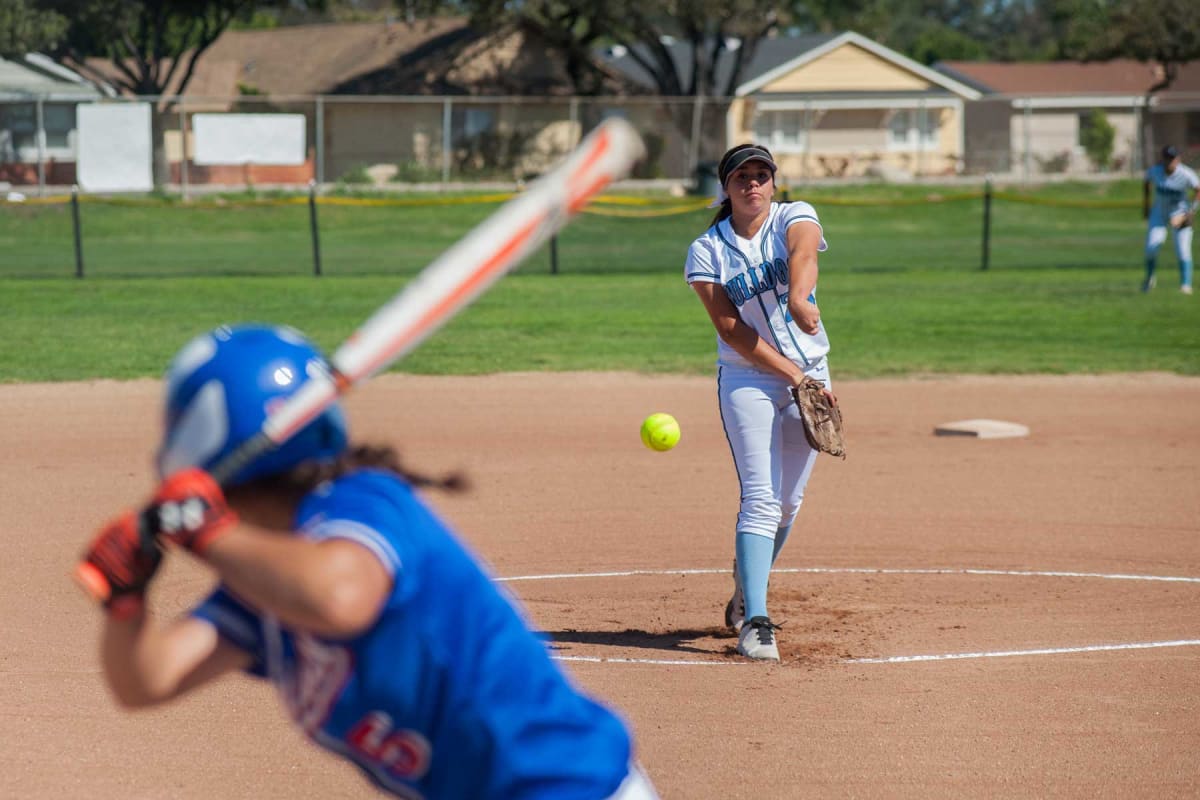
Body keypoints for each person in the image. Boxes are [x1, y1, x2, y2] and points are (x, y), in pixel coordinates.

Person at [75, 323, 658, 800]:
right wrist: (125, 601)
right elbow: (145, 681)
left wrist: (207, 531)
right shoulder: (269, 583)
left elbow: (340, 599)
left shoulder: (366, 502)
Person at [683, 144, 837, 663]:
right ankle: (757, 621)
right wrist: (796, 377)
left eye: (761, 175)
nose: (752, 183)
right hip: (749, 379)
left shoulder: (796, 215)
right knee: (762, 498)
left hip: (810, 377)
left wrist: (798, 298)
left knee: (789, 503)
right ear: (725, 189)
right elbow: (730, 327)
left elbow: (804, 254)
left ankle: (745, 585)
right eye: (741, 176)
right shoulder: (707, 250)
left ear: (773, 183)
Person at [1142, 144, 1198, 294]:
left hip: (1180, 214)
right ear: (1163, 158)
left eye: (1173, 158)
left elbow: (1198, 189)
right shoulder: (1155, 171)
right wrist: (1146, 207)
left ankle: (1185, 285)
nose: (1170, 161)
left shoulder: (1186, 174)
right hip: (1159, 213)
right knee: (1151, 247)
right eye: (1167, 158)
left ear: (1178, 159)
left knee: (1182, 249)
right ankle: (1149, 278)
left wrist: (1191, 212)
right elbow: (1146, 182)